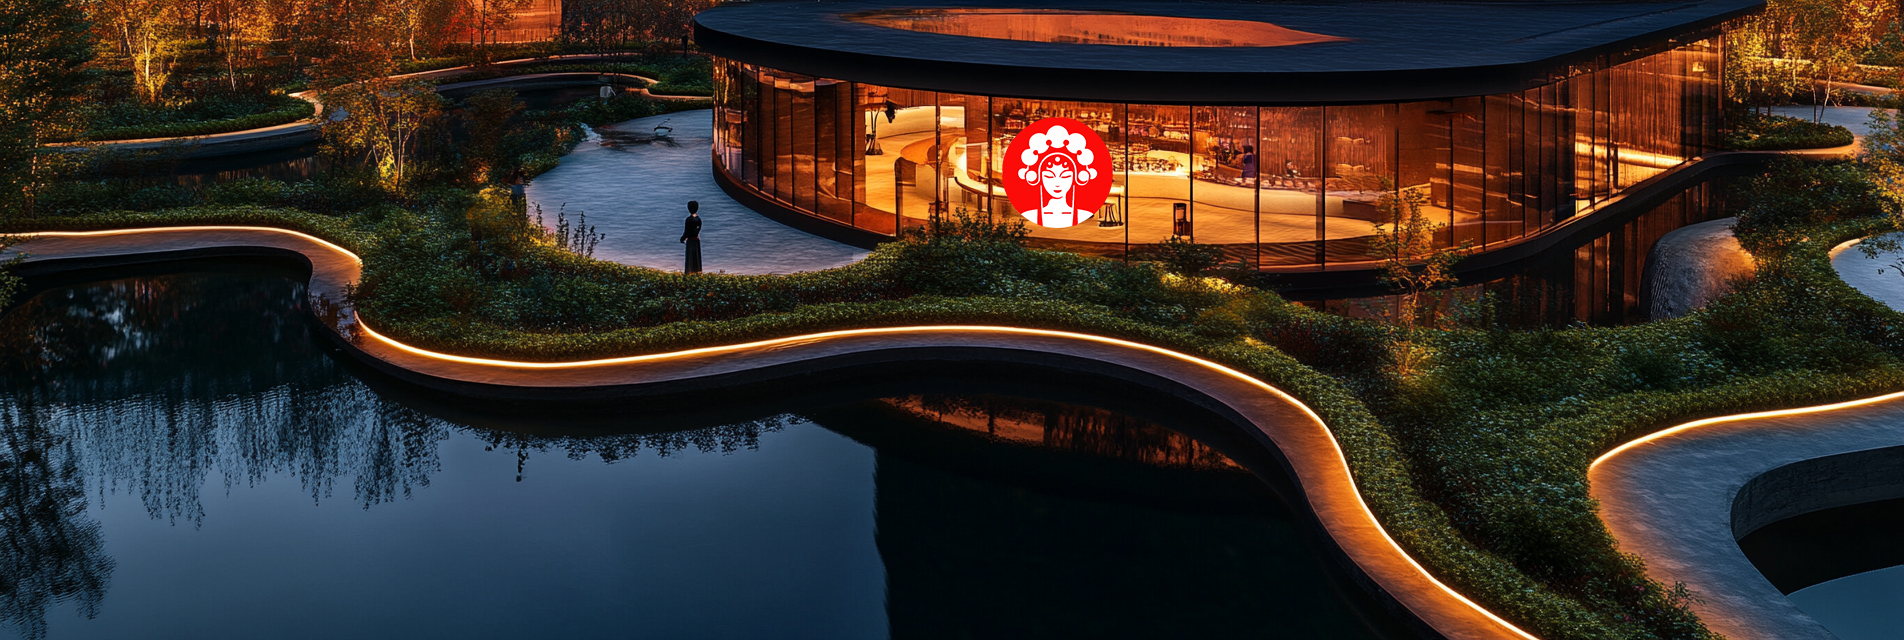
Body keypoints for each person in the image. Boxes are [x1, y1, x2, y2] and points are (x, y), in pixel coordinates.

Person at [681, 200, 702, 274]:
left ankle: (689, 272)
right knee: (696, 256)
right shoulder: (698, 219)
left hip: (690, 240)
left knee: (690, 257)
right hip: (696, 240)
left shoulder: (689, 220)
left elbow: (687, 231)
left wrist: (682, 238)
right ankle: (697, 271)